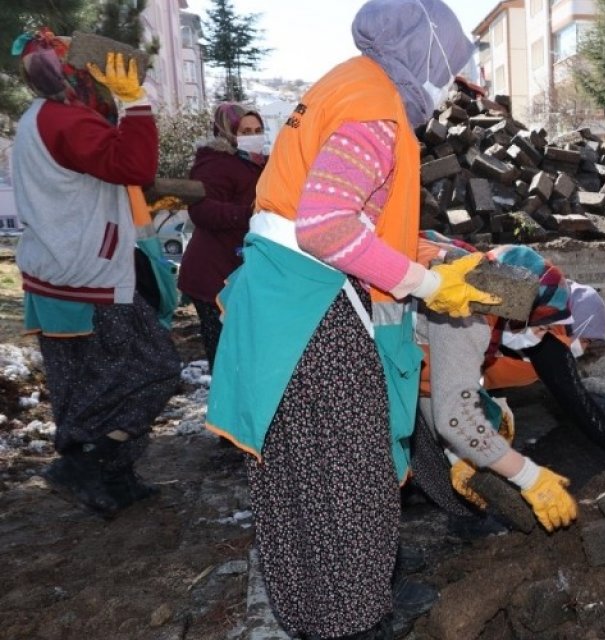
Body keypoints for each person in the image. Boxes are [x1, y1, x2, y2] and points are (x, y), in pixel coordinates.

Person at [203, 2, 569, 638]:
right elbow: (328, 226)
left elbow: (360, 223)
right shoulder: (375, 109)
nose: (445, 85)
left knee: (301, 478)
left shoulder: (345, 83)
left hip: (287, 302)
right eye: (448, 68)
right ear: (425, 51)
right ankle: (351, 622)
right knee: (349, 481)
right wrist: (428, 283)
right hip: (314, 310)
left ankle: (323, 611)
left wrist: (435, 261)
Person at [10, 29, 181, 518]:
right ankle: (86, 462)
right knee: (156, 371)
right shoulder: (67, 121)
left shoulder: (38, 118)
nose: (103, 85)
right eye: (95, 75)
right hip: (86, 276)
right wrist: (136, 103)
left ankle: (113, 477)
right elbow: (134, 162)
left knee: (82, 386)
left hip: (58, 271)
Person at [408, 232, 605, 520]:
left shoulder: (476, 294)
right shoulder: (468, 314)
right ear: (517, 314)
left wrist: (455, 452)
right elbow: (454, 413)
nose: (541, 337)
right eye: (541, 328)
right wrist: (529, 476)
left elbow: (435, 386)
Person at [179, 103, 267, 369]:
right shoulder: (216, 163)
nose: (254, 135)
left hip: (237, 273)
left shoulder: (256, 163)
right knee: (225, 354)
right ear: (228, 131)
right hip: (213, 276)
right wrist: (248, 214)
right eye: (245, 130)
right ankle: (223, 407)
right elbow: (202, 210)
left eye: (258, 129)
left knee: (244, 351)